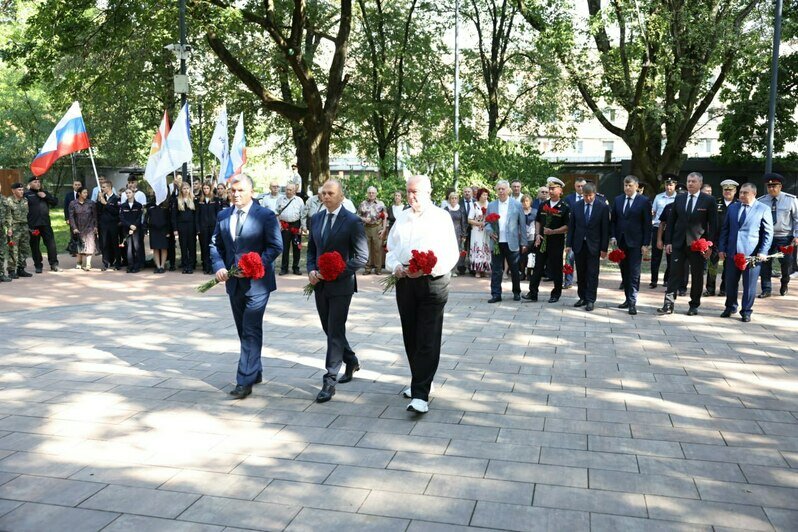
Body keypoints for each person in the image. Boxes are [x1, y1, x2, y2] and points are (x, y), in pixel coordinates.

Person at [386, 175, 459, 414]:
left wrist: (426, 269)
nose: (411, 196)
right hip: (406, 281)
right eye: (408, 191)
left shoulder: (441, 217)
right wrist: (396, 266)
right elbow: (391, 249)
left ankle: (420, 394)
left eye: (415, 191)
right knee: (411, 333)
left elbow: (451, 254)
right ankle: (421, 377)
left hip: (433, 282)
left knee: (428, 334)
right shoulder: (403, 217)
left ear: (428, 191)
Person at [210, 173, 283, 399]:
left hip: (258, 283)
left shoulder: (266, 216)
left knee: (251, 328)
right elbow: (215, 244)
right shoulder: (223, 215)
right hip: (234, 283)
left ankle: (244, 380)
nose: (236, 194)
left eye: (240, 190)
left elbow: (275, 246)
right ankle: (255, 369)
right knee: (243, 329)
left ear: (251, 191)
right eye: (232, 191)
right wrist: (219, 266)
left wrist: (255, 264)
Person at [307, 180, 369, 403]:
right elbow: (312, 250)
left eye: (330, 193)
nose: (326, 196)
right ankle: (350, 360)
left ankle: (329, 380)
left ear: (341, 196)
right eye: (323, 193)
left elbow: (362, 257)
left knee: (334, 330)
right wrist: (311, 270)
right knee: (329, 328)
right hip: (320, 284)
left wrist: (338, 271)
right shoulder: (316, 218)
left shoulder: (352, 221)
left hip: (342, 285)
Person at [657, 172, 718, 316]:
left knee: (697, 276)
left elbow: (713, 225)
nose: (690, 183)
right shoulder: (679, 198)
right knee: (674, 274)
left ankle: (694, 305)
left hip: (697, 244)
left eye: (693, 181)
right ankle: (668, 304)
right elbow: (671, 222)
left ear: (700, 184)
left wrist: (710, 245)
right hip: (678, 243)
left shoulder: (709, 200)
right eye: (689, 181)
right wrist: (668, 241)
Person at [718, 183, 773, 322]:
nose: (741, 195)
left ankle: (746, 311)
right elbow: (725, 230)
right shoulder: (733, 208)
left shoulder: (763, 209)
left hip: (752, 254)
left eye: (745, 193)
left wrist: (763, 251)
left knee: (749, 285)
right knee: (730, 283)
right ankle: (730, 307)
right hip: (732, 252)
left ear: (753, 194)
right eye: (741, 192)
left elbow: (768, 233)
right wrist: (722, 248)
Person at [610, 175, 652, 315]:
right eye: (625, 185)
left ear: (636, 186)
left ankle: (633, 301)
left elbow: (647, 224)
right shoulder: (618, 200)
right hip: (621, 242)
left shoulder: (644, 201)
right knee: (624, 271)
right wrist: (613, 236)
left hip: (636, 242)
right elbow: (614, 221)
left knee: (634, 272)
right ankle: (627, 298)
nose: (627, 188)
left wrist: (646, 243)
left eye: (630, 185)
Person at [525, 177, 570, 303]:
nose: (550, 191)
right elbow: (538, 220)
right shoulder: (543, 205)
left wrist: (553, 231)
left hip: (556, 241)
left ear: (560, 190)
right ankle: (533, 292)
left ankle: (556, 293)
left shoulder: (565, 206)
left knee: (556, 268)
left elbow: (567, 226)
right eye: (549, 188)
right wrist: (537, 235)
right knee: (538, 267)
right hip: (541, 241)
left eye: (553, 188)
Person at [567, 183, 610, 311]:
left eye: (590, 196)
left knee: (592, 273)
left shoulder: (602, 207)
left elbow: (605, 229)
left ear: (595, 194)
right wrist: (568, 244)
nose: (588, 198)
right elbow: (572, 227)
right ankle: (582, 297)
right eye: (585, 196)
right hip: (579, 244)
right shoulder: (576, 206)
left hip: (594, 245)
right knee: (581, 272)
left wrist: (604, 249)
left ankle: (591, 299)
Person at [757, 173, 798, 297]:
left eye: (774, 186)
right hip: (767, 237)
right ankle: (766, 289)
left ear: (780, 186)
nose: (771, 188)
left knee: (786, 264)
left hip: (785, 237)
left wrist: (796, 235)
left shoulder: (791, 200)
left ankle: (784, 282)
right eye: (769, 186)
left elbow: (797, 219)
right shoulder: (761, 201)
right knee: (765, 263)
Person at [485, 180, 526, 302]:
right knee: (497, 270)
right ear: (496, 191)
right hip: (497, 242)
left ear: (508, 190)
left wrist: (524, 242)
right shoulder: (491, 205)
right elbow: (486, 222)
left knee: (514, 269)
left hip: (511, 242)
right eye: (499, 189)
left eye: (503, 189)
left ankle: (516, 292)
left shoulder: (516, 205)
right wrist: (490, 231)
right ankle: (496, 294)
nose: (501, 191)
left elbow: (522, 224)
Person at [706, 179, 739, 296]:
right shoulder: (715, 203)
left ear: (735, 191)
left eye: (730, 190)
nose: (727, 192)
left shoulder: (739, 204)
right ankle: (710, 288)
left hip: (730, 240)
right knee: (712, 265)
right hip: (716, 238)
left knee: (728, 266)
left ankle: (724, 288)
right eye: (725, 190)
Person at [24, 177, 60, 273]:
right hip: (33, 225)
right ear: (30, 184)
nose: (38, 183)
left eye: (39, 181)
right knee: (35, 246)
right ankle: (38, 265)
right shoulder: (26, 195)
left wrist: (45, 196)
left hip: (45, 224)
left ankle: (54, 264)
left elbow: (55, 202)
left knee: (51, 244)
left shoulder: (45, 193)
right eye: (35, 182)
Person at [650, 175, 678, 288]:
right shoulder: (658, 197)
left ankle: (667, 279)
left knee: (670, 256)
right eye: (667, 184)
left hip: (672, 230)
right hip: (658, 227)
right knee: (656, 256)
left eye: (671, 184)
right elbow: (654, 211)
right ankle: (654, 280)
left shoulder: (679, 198)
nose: (668, 187)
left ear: (675, 185)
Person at [562, 178, 587, 289]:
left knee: (584, 259)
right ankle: (568, 281)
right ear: (574, 187)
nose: (581, 188)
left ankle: (583, 280)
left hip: (586, 234)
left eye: (582, 186)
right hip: (572, 232)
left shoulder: (592, 197)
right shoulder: (568, 199)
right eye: (578, 186)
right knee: (569, 257)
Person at [276, 183, 305, 275]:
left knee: (297, 247)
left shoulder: (299, 200)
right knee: (285, 248)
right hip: (285, 226)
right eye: (287, 189)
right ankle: (284, 268)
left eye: (290, 190)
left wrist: (302, 226)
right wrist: (279, 226)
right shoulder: (280, 199)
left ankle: (296, 267)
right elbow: (276, 213)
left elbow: (303, 215)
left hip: (296, 225)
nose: (288, 191)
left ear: (294, 191)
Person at [358, 186, 387, 275]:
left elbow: (385, 217)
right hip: (366, 228)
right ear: (367, 193)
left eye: (373, 192)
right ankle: (367, 268)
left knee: (378, 249)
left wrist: (384, 229)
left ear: (376, 193)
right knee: (367, 249)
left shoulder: (381, 203)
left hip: (377, 227)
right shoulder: (363, 203)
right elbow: (357, 216)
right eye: (369, 192)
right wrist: (363, 219)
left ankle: (378, 269)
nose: (371, 194)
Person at [67, 186, 98, 271]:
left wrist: (95, 226)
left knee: (89, 245)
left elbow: (95, 216)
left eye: (87, 193)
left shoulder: (91, 203)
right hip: (78, 227)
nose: (86, 194)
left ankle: (88, 264)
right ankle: (79, 262)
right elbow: (71, 217)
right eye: (84, 192)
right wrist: (74, 227)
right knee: (79, 245)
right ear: (79, 193)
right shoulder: (73, 203)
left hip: (89, 227)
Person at [6, 183, 32, 279]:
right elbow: (7, 216)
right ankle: (11, 270)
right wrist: (9, 228)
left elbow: (27, 213)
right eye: (19, 190)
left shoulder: (25, 200)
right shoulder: (9, 201)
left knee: (24, 248)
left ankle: (21, 269)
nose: (22, 191)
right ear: (13, 191)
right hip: (14, 228)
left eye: (22, 190)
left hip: (24, 227)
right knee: (13, 250)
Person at [172, 182, 198, 274]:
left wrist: (197, 228)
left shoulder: (194, 199)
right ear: (181, 190)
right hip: (181, 226)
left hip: (191, 226)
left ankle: (191, 265)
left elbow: (196, 215)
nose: (186, 190)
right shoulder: (177, 200)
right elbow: (174, 216)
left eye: (187, 188)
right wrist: (175, 229)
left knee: (191, 246)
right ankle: (185, 265)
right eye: (184, 188)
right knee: (183, 246)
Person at [197, 182, 221, 275]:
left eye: (207, 188)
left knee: (213, 247)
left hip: (213, 227)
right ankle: (206, 266)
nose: (205, 190)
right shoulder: (199, 200)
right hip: (203, 228)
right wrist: (198, 228)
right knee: (204, 247)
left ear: (210, 189)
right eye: (204, 188)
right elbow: (197, 215)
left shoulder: (215, 199)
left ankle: (212, 266)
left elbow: (218, 214)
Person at [97, 181, 120, 271]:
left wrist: (106, 204)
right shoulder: (101, 198)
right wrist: (99, 201)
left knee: (114, 243)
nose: (102, 189)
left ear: (109, 187)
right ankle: (106, 262)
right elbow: (98, 211)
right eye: (102, 187)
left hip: (113, 224)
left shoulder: (116, 198)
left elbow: (116, 212)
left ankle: (117, 262)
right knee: (104, 244)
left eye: (104, 187)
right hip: (103, 225)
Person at [119, 188, 144, 273]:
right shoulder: (123, 206)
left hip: (136, 229)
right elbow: (122, 218)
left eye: (129, 192)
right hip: (127, 229)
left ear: (133, 193)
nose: (128, 194)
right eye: (126, 193)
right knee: (129, 248)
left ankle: (137, 266)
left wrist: (134, 226)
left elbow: (139, 217)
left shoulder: (138, 205)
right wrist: (130, 226)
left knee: (136, 247)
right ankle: (130, 266)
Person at [146, 196, 171, 274]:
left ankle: (162, 266)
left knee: (164, 248)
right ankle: (158, 266)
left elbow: (169, 219)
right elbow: (147, 218)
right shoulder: (150, 206)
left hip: (164, 229)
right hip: (153, 230)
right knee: (155, 248)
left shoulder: (166, 206)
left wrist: (168, 231)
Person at [63, 179, 82, 257]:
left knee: (82, 233)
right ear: (73, 186)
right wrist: (67, 218)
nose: (77, 186)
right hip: (72, 217)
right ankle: (74, 250)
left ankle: (81, 249)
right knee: (73, 233)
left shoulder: (84, 194)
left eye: (79, 185)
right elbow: (65, 207)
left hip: (82, 218)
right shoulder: (69, 195)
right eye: (76, 185)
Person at [520, 194, 537, 280]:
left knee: (531, 255)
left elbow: (538, 224)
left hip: (532, 236)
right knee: (523, 256)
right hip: (521, 236)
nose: (525, 203)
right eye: (523, 201)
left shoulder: (535, 211)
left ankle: (529, 273)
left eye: (527, 201)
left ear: (530, 202)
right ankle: (522, 273)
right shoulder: (519, 211)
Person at [0, 183, 11, 282]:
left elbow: (8, 215)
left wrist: (9, 227)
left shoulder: (4, 200)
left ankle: (1, 274)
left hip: (1, 230)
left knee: (1, 252)